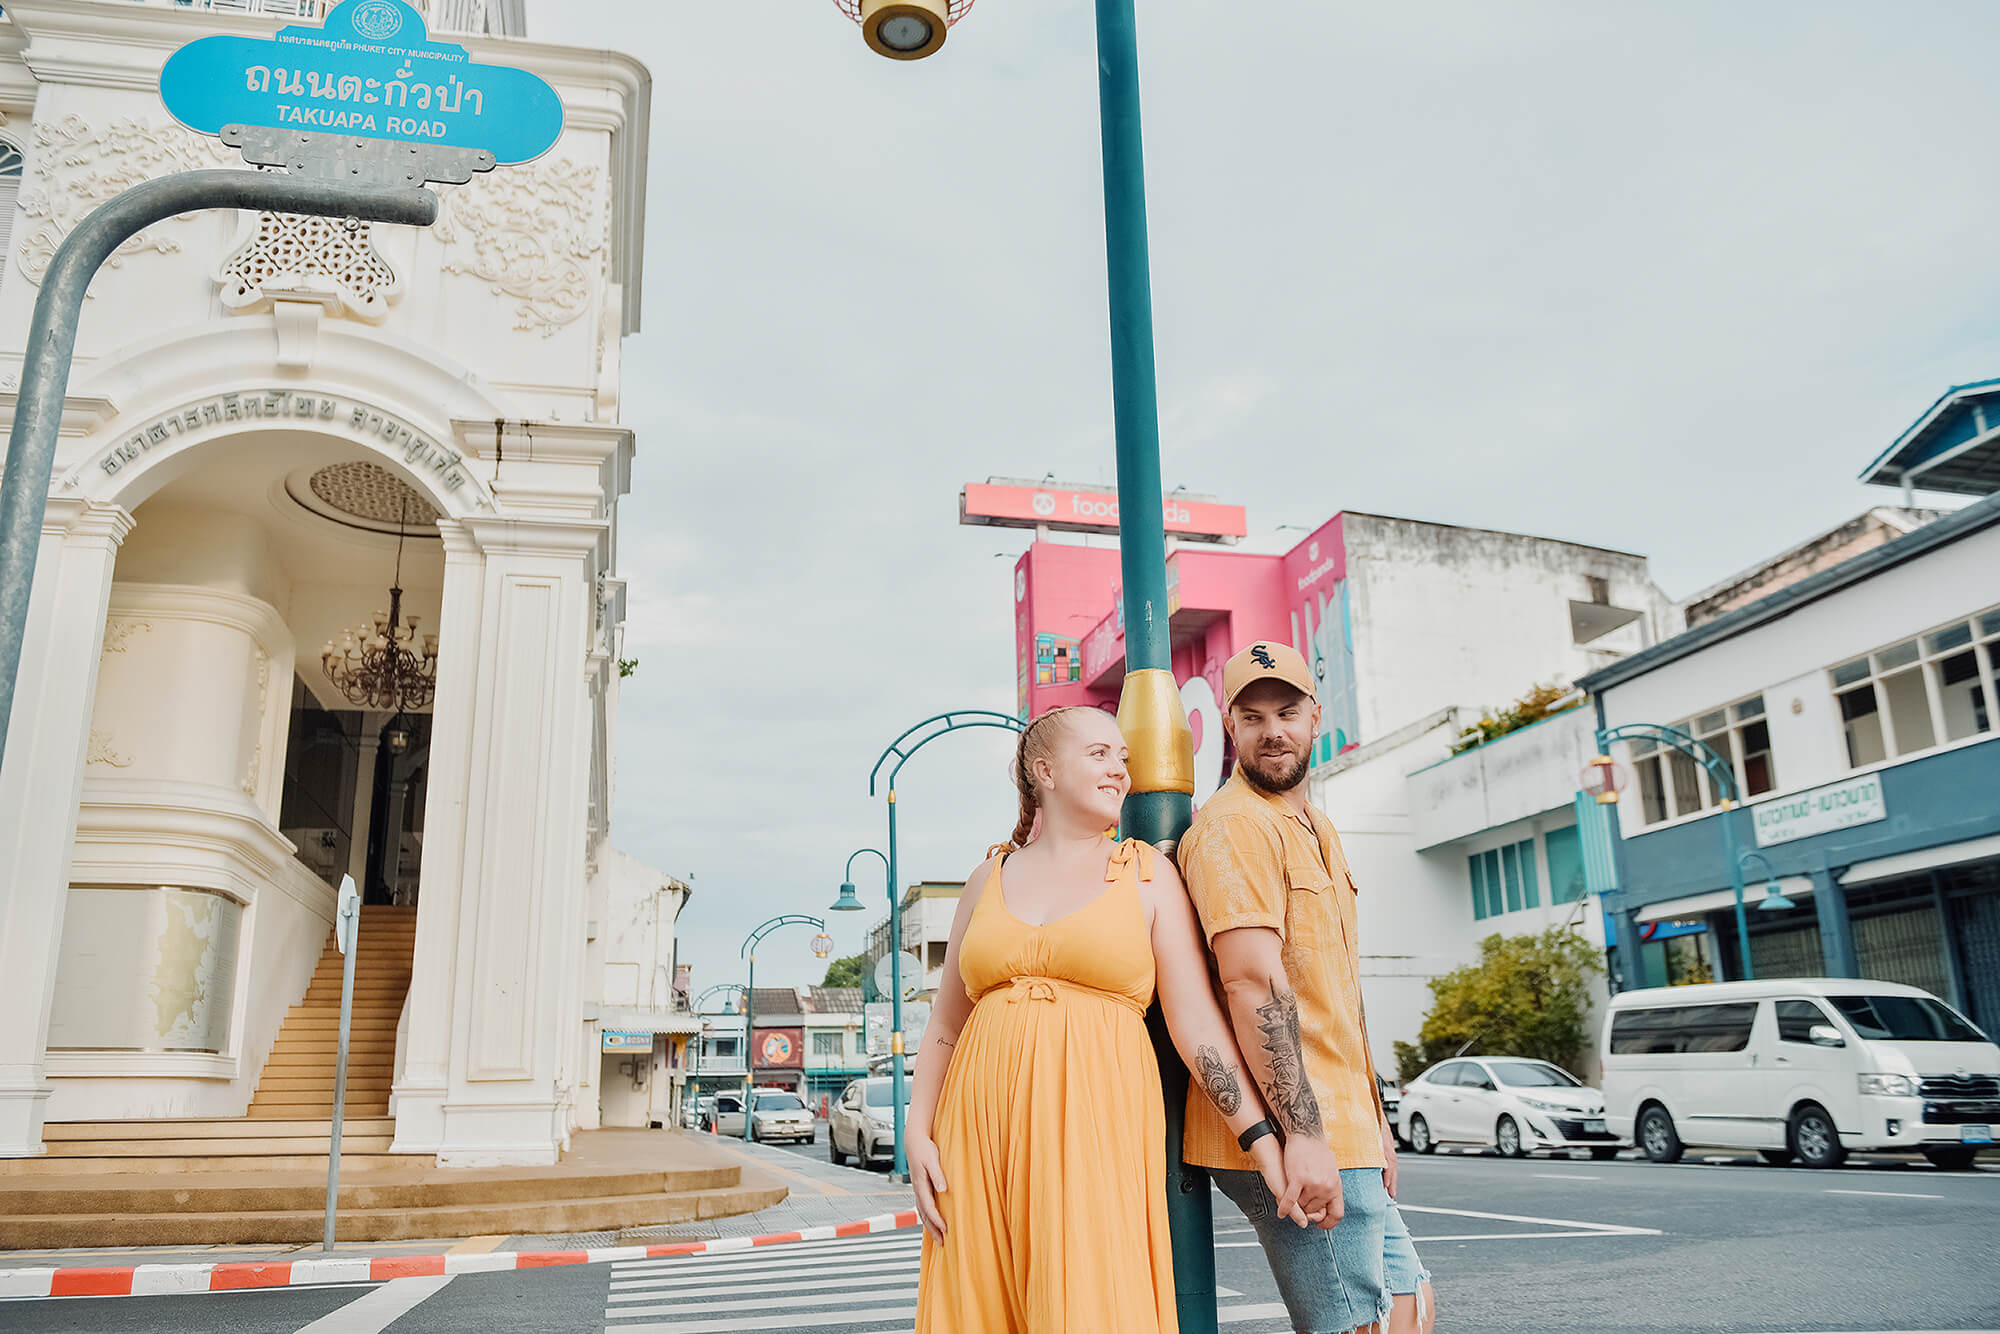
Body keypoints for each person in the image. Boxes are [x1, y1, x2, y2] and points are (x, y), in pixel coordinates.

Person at [908, 705, 1311, 1334]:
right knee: (979, 1303)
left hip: (1095, 1124)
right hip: (976, 1130)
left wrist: (1263, 1140)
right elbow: (944, 1024)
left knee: (1091, 1302)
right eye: (1100, 754)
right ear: (1044, 770)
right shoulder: (987, 877)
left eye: (1123, 757)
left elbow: (1197, 1027)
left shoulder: (1149, 876)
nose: (1121, 770)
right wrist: (918, 1133)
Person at [1177, 641, 1438, 1334]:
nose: (1273, 731)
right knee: (1357, 1326)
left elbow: (1338, 990)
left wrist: (1376, 1122)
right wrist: (1303, 1136)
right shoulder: (1234, 827)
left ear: (1315, 716)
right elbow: (1252, 982)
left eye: (1287, 712)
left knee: (1408, 1309)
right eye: (1253, 717)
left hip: (1345, 1121)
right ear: (1229, 728)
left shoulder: (1315, 825)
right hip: (1297, 1125)